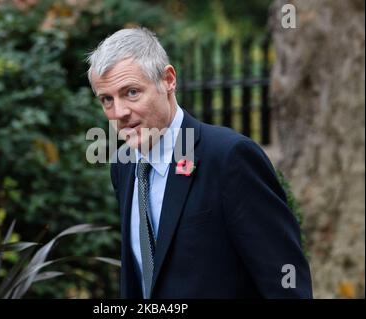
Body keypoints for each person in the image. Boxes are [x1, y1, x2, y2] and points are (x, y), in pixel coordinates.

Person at [86, 27, 312, 299]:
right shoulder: (124, 167)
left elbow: (285, 282)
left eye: (131, 92)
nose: (119, 112)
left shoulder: (229, 157)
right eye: (107, 100)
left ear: (168, 80)